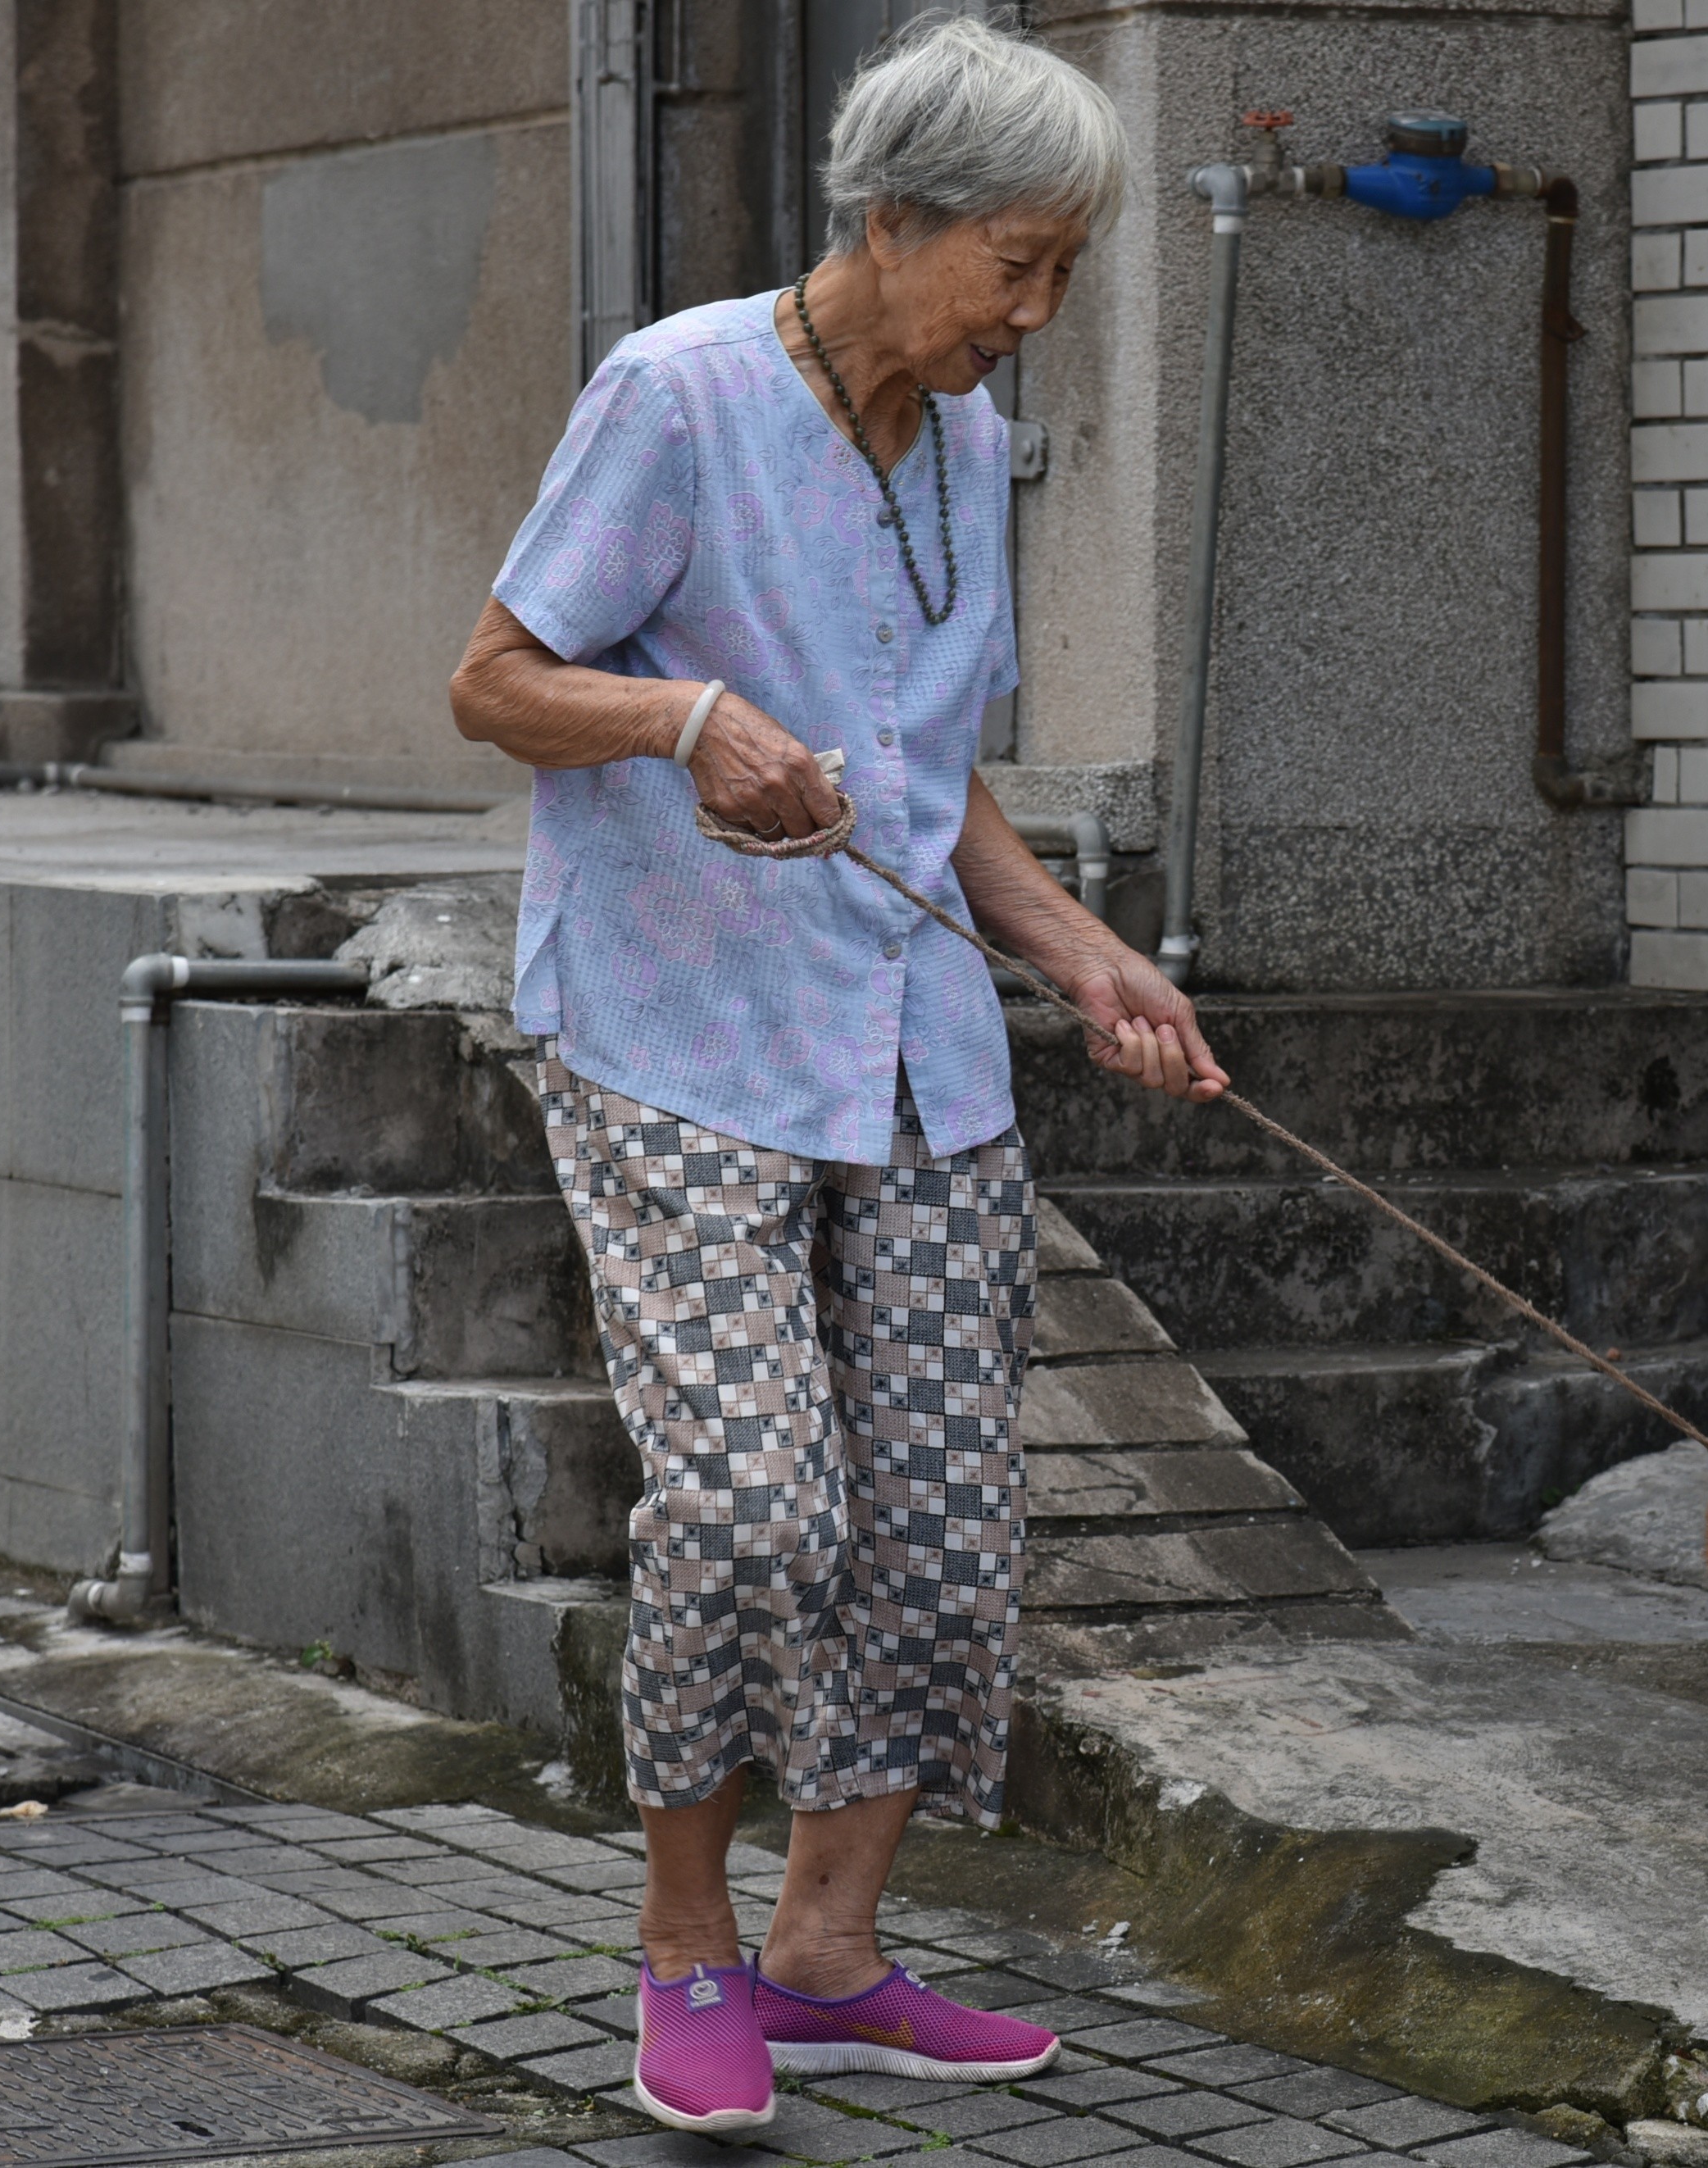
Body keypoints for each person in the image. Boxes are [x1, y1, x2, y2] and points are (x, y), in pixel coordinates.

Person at [446, 13, 1220, 2137]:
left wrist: (1082, 957)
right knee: (755, 1503)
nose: (1035, 313)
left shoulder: (962, 440)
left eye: (1064, 271)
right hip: (678, 1033)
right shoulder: (677, 395)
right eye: (1016, 263)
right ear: (892, 221)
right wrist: (686, 721)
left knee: (948, 1533)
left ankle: (826, 1953)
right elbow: (495, 681)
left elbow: (930, 780)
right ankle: (685, 1950)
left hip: (913, 1045)